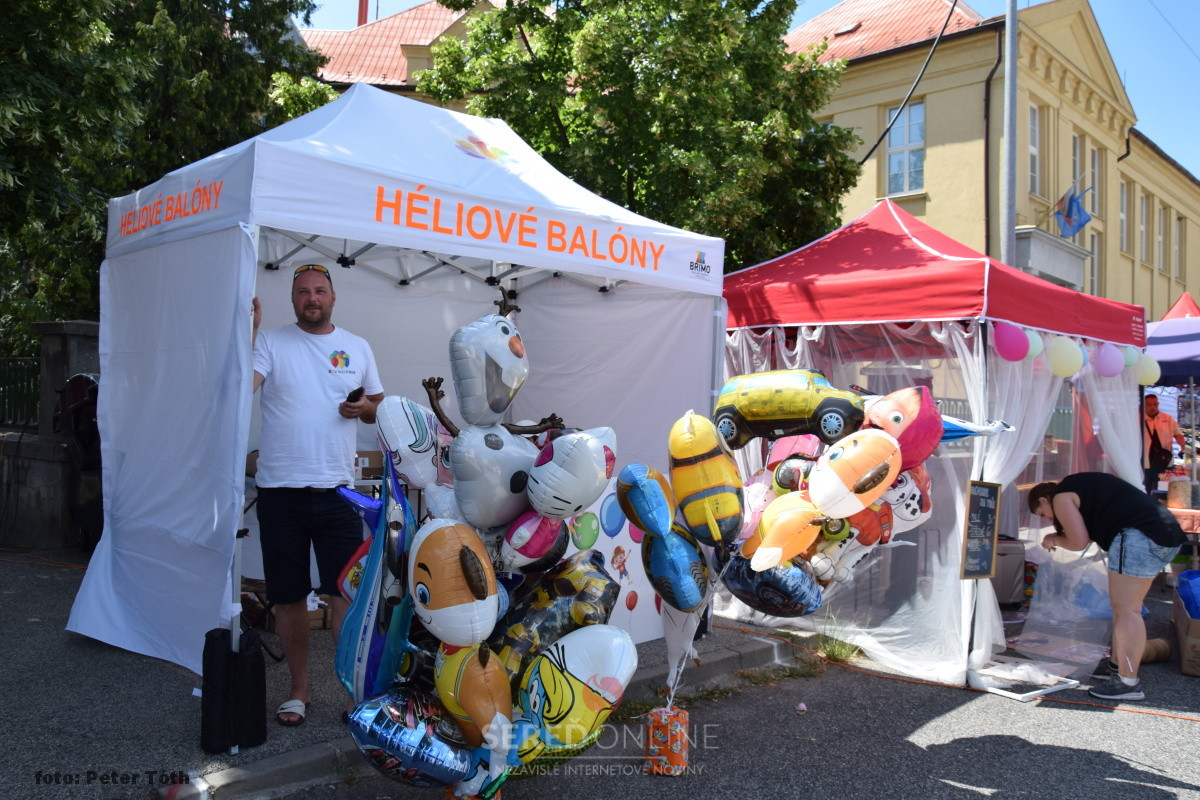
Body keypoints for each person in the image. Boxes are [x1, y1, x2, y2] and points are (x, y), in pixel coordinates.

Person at [251, 263, 384, 726]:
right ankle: (299, 690)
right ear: (293, 299)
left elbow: (376, 408)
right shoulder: (270, 342)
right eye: (303, 291)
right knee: (288, 598)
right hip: (279, 492)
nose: (312, 298)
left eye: (319, 290)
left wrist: (363, 407)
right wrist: (246, 334)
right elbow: (242, 387)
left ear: (333, 297)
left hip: (337, 493)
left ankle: (350, 692)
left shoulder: (357, 345)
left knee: (343, 595)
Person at [1027, 472, 1185, 701]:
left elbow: (1078, 541)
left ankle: (1128, 682)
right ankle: (1117, 667)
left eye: (1043, 514)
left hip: (1138, 537)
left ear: (1044, 500)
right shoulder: (1078, 487)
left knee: (1127, 611)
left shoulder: (1061, 497)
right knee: (1126, 609)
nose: (1048, 520)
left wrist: (1053, 539)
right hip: (1164, 536)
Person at [1142, 393, 1184, 493]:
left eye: (1155, 404)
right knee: (1145, 489)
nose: (1152, 407)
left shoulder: (1167, 418)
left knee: (1163, 490)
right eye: (1149, 404)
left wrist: (1182, 446)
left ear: (1158, 404)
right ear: (1144, 405)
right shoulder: (1139, 418)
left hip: (1163, 461)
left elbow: (1177, 434)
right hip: (1145, 461)